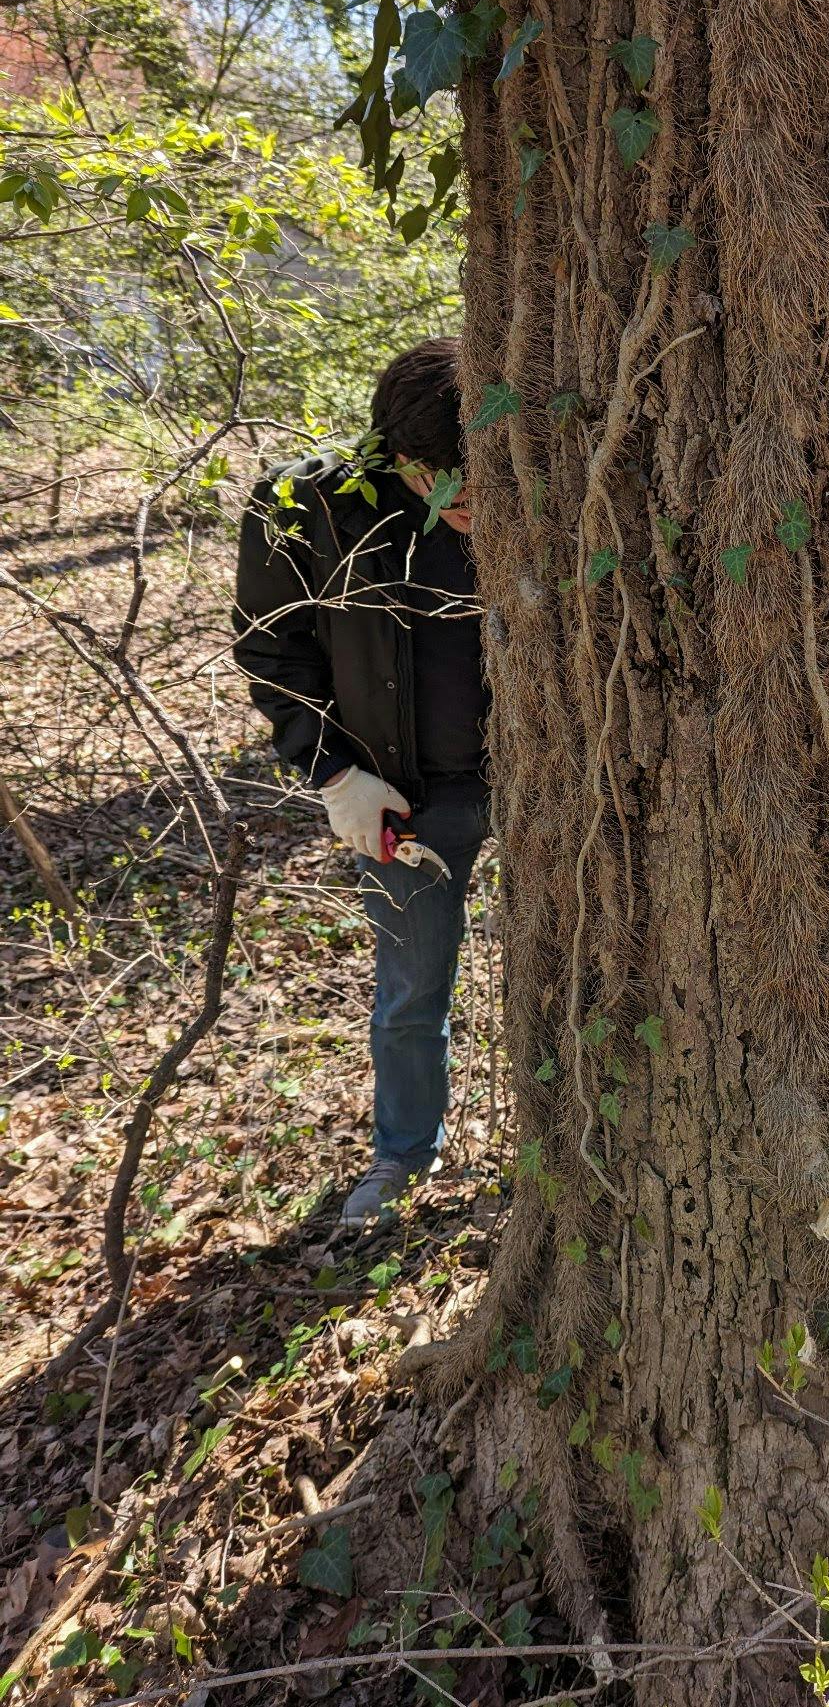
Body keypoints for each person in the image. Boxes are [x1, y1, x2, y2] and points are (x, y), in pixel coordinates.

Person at [232, 337, 490, 1227]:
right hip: (401, 798)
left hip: (542, 784)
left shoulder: (547, 470)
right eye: (448, 481)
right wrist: (334, 772)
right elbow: (272, 648)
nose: (474, 502)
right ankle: (404, 1155)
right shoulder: (307, 506)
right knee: (413, 988)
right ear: (398, 455)